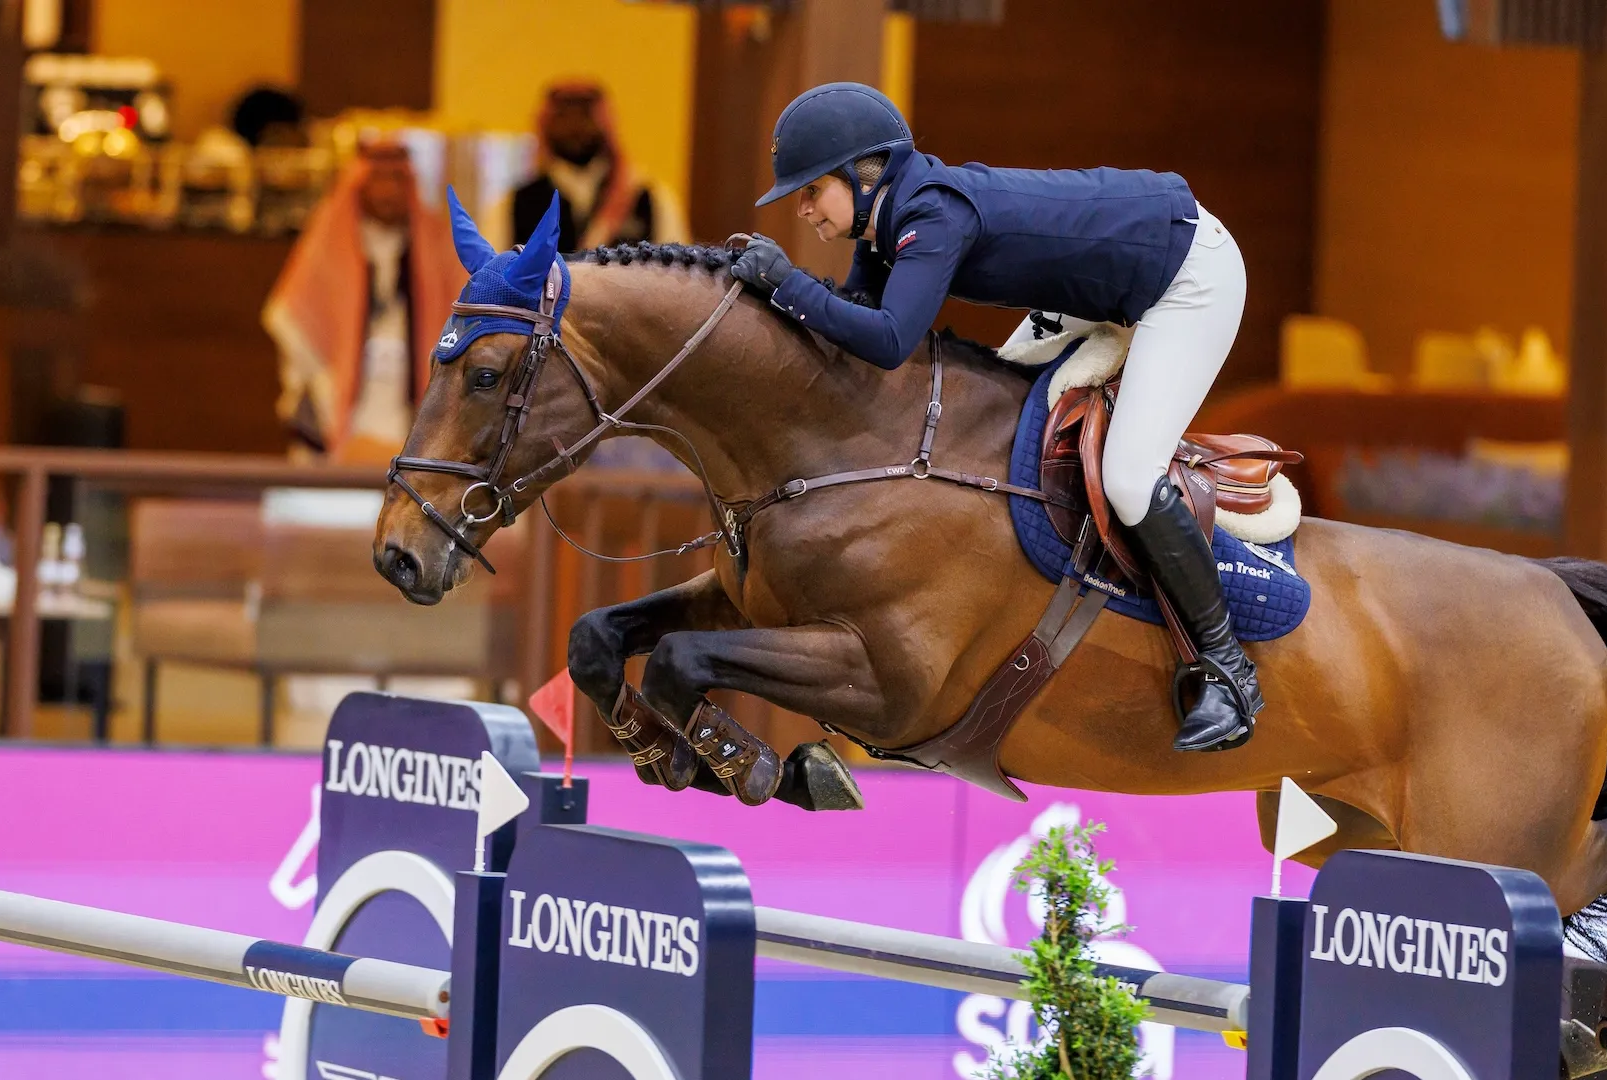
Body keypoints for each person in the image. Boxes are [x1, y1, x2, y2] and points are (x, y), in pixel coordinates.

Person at [730, 82, 1253, 753]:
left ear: (865, 175)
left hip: (1185, 277)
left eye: (810, 191)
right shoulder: (886, 225)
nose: (802, 209)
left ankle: (1227, 668)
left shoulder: (932, 212)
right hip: (1096, 287)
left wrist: (788, 283)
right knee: (995, 418)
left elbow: (890, 342)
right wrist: (770, 301)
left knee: (1128, 475)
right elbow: (849, 328)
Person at [262, 141, 468, 464]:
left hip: (413, 407)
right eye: (378, 178)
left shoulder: (437, 243)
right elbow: (288, 317)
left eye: (396, 179)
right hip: (340, 405)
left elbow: (467, 315)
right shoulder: (329, 241)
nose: (387, 191)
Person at [505, 82, 686, 252]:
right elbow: (492, 274)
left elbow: (677, 274)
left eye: (585, 114)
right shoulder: (514, 203)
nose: (574, 126)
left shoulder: (649, 198)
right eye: (564, 115)